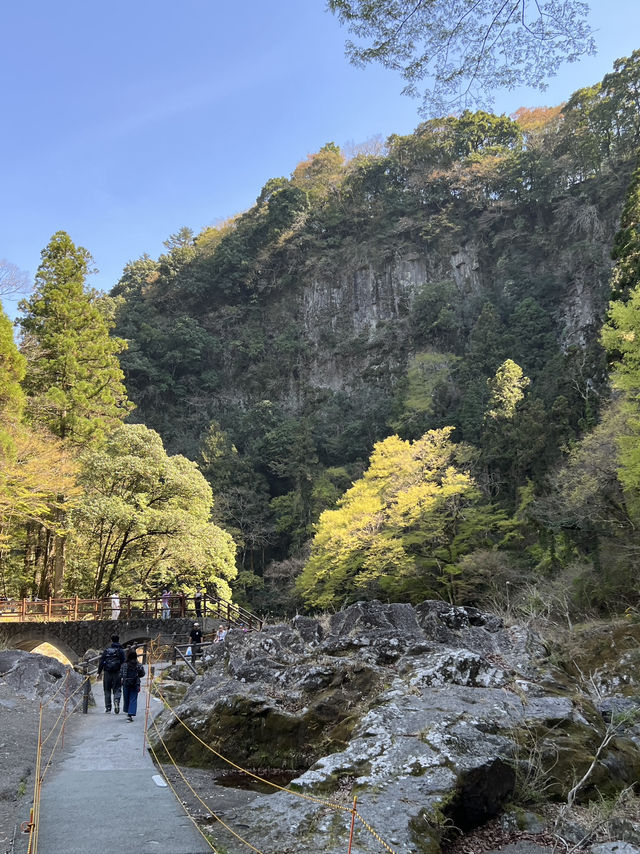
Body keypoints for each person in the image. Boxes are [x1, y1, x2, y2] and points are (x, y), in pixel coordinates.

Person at [97, 634, 125, 713]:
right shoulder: (120, 650)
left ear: (111, 640)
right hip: (117, 672)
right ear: (118, 640)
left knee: (107, 690)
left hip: (107, 672)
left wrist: (99, 672)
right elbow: (123, 661)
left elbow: (101, 661)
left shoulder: (107, 650)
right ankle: (116, 700)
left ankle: (108, 708)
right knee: (117, 688)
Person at [121, 647, 145, 722]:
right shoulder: (139, 665)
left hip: (126, 683)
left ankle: (127, 710)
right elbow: (142, 674)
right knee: (133, 698)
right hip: (135, 683)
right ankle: (130, 714)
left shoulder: (124, 665)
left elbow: (121, 674)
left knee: (126, 698)